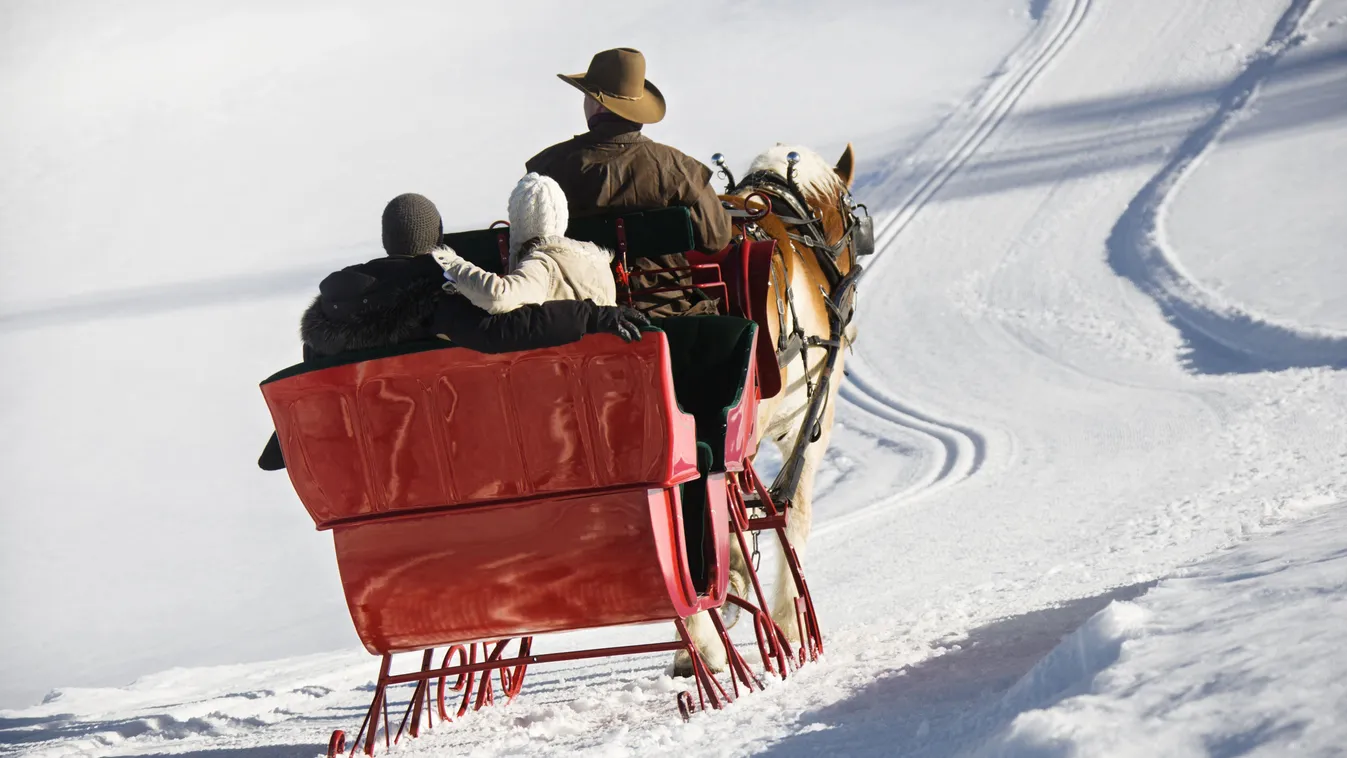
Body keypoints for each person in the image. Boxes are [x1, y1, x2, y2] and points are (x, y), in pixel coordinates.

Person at [299, 192, 645, 358]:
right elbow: (502, 331)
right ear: (437, 240)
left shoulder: (332, 309)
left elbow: (312, 372)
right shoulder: (435, 294)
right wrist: (592, 316)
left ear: (386, 241)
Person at [525, 47, 734, 317]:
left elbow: (526, 244)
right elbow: (716, 239)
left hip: (576, 316)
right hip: (667, 312)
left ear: (598, 103)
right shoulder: (680, 169)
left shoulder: (545, 168)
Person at [431, 173, 617, 315]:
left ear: (519, 221)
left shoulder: (540, 265)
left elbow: (497, 296)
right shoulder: (598, 262)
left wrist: (452, 265)